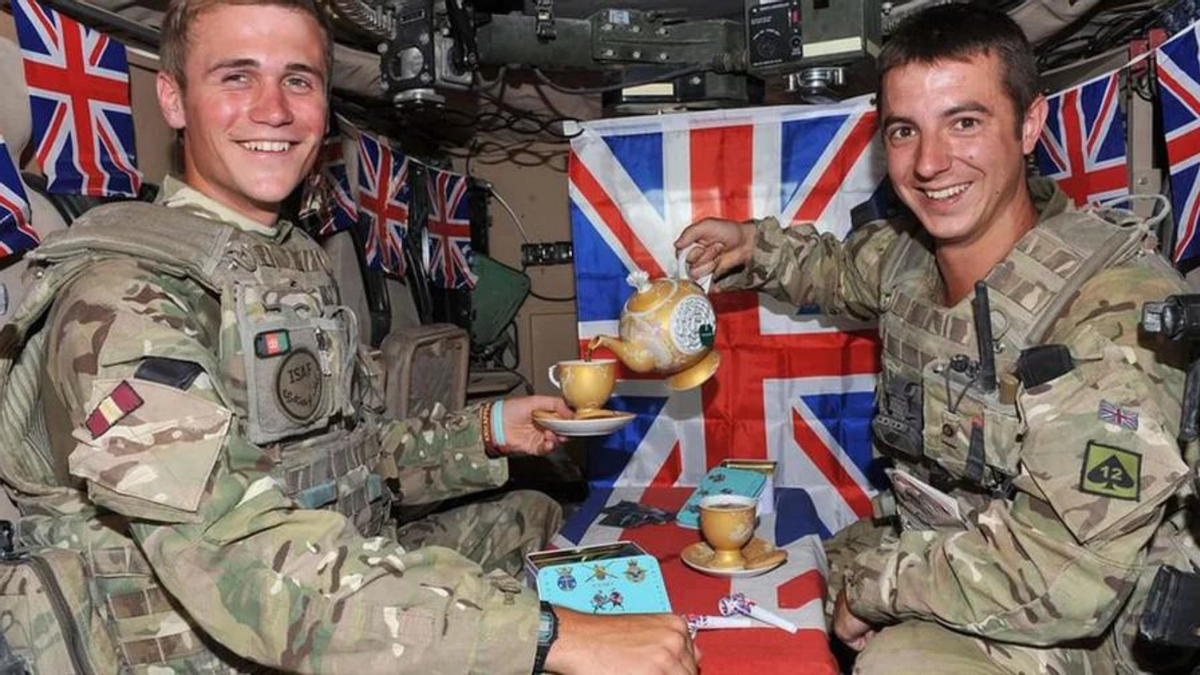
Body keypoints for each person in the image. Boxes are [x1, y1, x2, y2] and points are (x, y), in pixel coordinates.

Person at [0, 0, 697, 672]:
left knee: (538, 519)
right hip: (226, 636)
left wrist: (488, 428)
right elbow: (237, 557)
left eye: (297, 80)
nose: (274, 109)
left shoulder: (289, 261)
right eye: (236, 76)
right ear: (174, 100)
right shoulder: (121, 298)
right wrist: (543, 639)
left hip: (326, 585)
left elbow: (351, 461)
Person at [676, 4, 1195, 672]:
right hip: (962, 545)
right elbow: (835, 270)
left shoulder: (1112, 307)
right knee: (766, 588)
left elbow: (1070, 574)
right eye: (904, 131)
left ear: (1028, 123)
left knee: (899, 661)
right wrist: (753, 244)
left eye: (965, 122)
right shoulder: (909, 257)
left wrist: (880, 589)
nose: (930, 163)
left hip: (1092, 619)